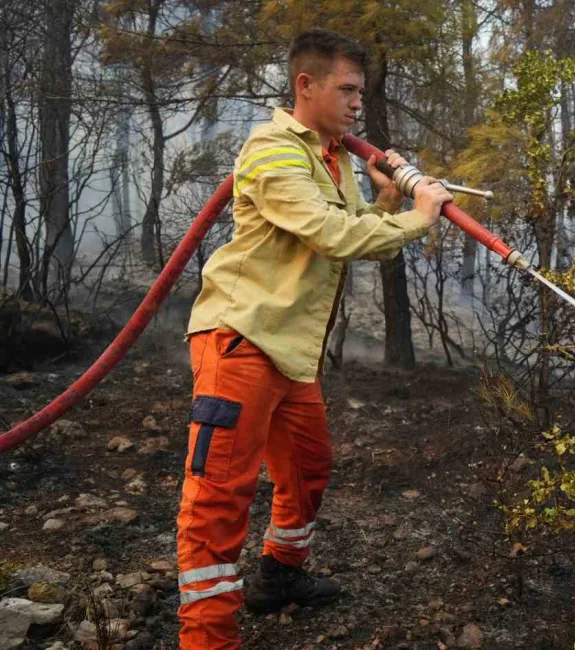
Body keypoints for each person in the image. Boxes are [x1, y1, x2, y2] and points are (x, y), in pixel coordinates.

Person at [174, 28, 453, 649]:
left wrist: (383, 204)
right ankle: (207, 640)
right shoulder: (273, 147)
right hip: (240, 343)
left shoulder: (333, 158)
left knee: (307, 468)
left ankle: (278, 578)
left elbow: (345, 228)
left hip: (288, 353)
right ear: (306, 86)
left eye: (362, 92)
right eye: (347, 90)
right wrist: (418, 217)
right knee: (218, 501)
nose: (359, 105)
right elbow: (330, 235)